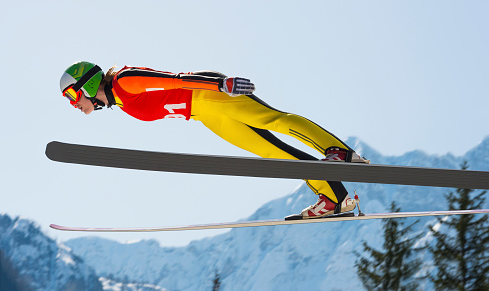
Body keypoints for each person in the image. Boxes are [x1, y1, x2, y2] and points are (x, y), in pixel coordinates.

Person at [60, 61, 369, 219]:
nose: (75, 105)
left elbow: (174, 80)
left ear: (87, 82)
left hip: (208, 93)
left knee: (271, 120)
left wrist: (221, 84)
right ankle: (335, 199)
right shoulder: (122, 102)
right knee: (270, 149)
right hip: (204, 114)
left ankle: (339, 152)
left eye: (73, 95)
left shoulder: (124, 80)